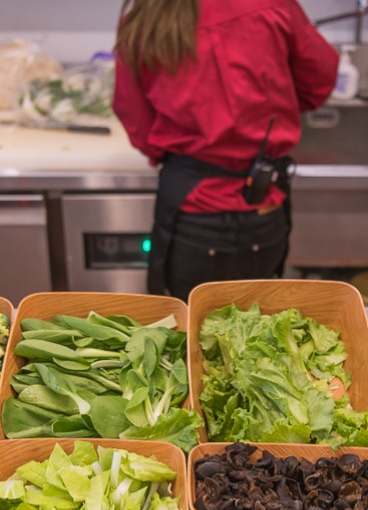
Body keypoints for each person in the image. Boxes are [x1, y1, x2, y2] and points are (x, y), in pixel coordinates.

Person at [113, 0, 339, 300]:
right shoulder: (273, 6)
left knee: (189, 333)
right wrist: (266, 106)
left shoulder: (145, 17)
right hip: (263, 204)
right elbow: (319, 83)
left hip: (192, 210)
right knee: (260, 329)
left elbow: (136, 120)